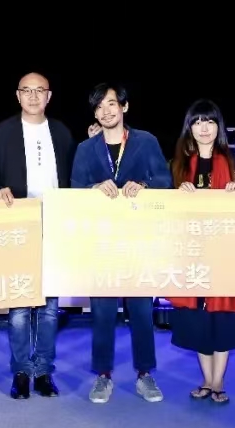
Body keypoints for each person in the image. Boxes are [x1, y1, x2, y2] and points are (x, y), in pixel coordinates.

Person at [70, 83, 172, 404]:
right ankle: (103, 376)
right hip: (101, 244)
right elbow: (74, 189)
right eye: (99, 106)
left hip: (139, 242)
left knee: (141, 310)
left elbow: (165, 180)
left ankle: (145, 374)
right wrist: (93, 188)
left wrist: (144, 185)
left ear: (124, 107)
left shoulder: (146, 141)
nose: (106, 111)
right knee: (102, 312)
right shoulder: (86, 148)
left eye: (111, 104)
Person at [0, 72, 75, 400]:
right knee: (20, 305)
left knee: (49, 306)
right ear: (17, 95)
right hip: (16, 225)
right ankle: (21, 371)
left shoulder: (61, 132)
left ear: (49, 96)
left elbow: (73, 177)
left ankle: (44, 371)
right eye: (27, 90)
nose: (33, 96)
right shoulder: (1, 132)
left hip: (54, 225)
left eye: (39, 91)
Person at [166, 99, 235, 405]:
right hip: (191, 251)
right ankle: (206, 379)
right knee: (197, 320)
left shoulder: (234, 160)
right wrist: (177, 194)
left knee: (223, 317)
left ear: (219, 126)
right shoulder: (178, 164)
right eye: (197, 122)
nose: (204, 128)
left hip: (225, 252)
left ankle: (218, 382)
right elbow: (164, 207)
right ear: (189, 128)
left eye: (210, 121)